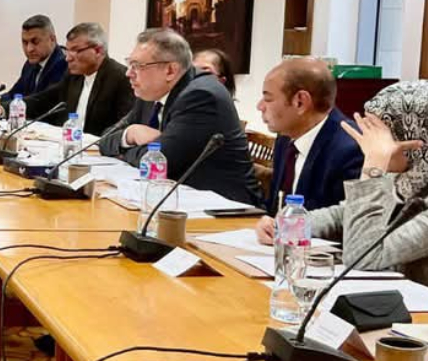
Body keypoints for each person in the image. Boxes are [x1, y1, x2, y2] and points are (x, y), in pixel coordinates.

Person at [256, 82, 428, 284]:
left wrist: (373, 168)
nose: (367, 145)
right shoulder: (403, 182)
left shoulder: (390, 176)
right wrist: (287, 225)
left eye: (378, 138)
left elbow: (362, 256)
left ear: (417, 142)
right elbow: (342, 215)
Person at [99, 28, 260, 205]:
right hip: (177, 199)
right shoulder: (150, 93)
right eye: (129, 64)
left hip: (226, 208)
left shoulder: (201, 96)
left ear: (170, 71)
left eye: (138, 66)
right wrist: (130, 134)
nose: (128, 73)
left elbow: (160, 162)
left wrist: (124, 152)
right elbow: (105, 140)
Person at [257, 58, 362, 215]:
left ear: (300, 102)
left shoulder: (351, 150)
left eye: (268, 98)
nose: (260, 106)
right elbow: (275, 207)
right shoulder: (286, 136)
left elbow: (344, 222)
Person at [22, 22, 135, 136]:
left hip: (97, 145)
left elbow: (122, 127)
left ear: (98, 51)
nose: (68, 58)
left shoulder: (121, 78)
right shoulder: (74, 76)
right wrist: (13, 106)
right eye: (68, 50)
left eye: (75, 51)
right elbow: (45, 99)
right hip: (68, 142)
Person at [2, 15, 67, 101]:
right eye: (25, 42)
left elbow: (39, 101)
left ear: (52, 39)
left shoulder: (63, 65)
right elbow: (14, 94)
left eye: (35, 42)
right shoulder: (30, 64)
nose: (29, 49)